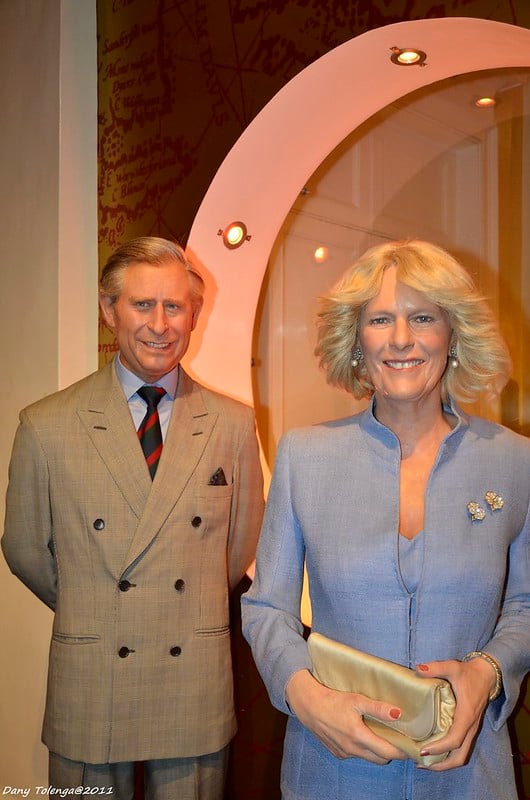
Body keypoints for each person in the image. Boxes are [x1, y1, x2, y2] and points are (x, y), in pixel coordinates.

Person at [241, 239, 530, 800]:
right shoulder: (305, 456)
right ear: (356, 341)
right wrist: (306, 696)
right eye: (380, 320)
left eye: (422, 317)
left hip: (468, 772)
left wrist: (489, 671)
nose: (400, 339)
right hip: (333, 769)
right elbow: (267, 608)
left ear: (453, 334)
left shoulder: (514, 461)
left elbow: (524, 604)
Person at [2, 236, 264, 800]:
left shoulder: (233, 425)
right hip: (93, 670)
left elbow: (240, 545)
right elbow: (24, 549)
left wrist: (176, 605)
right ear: (109, 309)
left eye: (174, 307)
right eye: (142, 304)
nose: (160, 325)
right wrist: (95, 601)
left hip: (191, 674)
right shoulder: (46, 425)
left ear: (194, 314)